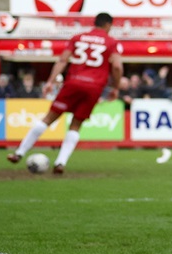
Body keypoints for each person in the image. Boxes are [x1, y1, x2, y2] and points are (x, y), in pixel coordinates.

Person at [7, 12, 124, 173]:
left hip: (73, 82)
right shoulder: (112, 42)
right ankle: (60, 163)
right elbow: (117, 66)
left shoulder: (78, 38)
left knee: (49, 118)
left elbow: (63, 60)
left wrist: (50, 81)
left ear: (94, 23)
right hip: (94, 87)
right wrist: (115, 87)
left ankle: (19, 153)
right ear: (108, 25)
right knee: (76, 124)